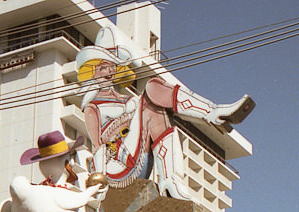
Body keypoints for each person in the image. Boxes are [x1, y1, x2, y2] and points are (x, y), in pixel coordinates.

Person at [75, 26, 253, 201]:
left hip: (139, 154)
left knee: (157, 109)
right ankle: (214, 113)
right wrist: (100, 181)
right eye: (103, 67)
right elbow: (98, 146)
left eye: (113, 67)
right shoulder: (92, 106)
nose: (109, 72)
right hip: (116, 166)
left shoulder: (127, 100)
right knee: (152, 87)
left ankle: (170, 180)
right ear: (92, 70)